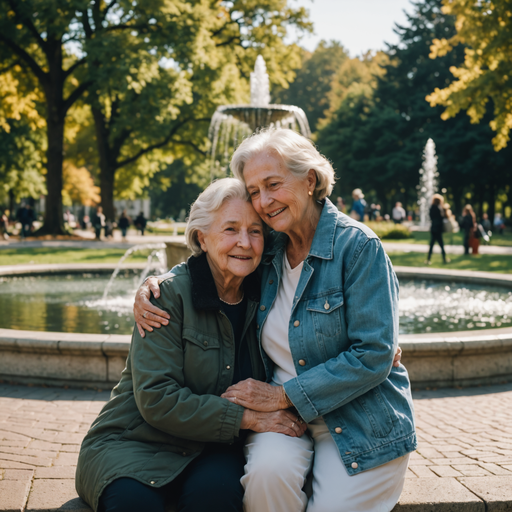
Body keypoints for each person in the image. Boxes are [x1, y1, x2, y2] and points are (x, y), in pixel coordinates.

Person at [135, 128, 415, 512]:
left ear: (310, 180)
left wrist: (284, 394)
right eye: (254, 191)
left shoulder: (359, 247)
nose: (263, 202)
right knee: (265, 479)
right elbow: (216, 251)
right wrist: (158, 284)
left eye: (273, 185)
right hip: (281, 418)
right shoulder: (269, 247)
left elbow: (374, 355)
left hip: (359, 420)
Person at [76, 178, 309, 512]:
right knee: (133, 505)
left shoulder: (269, 293)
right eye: (230, 229)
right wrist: (247, 418)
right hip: (133, 441)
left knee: (216, 498)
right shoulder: (165, 297)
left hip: (210, 448)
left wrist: (376, 344)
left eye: (255, 230)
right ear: (202, 237)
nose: (244, 242)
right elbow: (157, 399)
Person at [425, 194, 450, 265]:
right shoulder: (439, 208)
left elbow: (431, 217)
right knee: (441, 245)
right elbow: (442, 218)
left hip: (433, 228)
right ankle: (444, 259)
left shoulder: (432, 208)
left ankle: (428, 259)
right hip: (438, 229)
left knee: (432, 244)